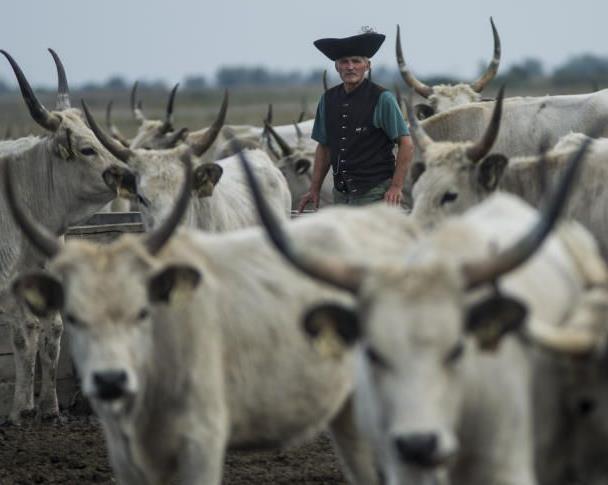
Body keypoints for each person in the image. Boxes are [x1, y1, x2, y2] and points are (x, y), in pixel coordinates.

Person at [298, 29, 414, 211]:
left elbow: (406, 143)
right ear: (337, 67)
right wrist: (314, 188)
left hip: (375, 194)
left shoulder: (382, 98)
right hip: (341, 194)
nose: (350, 66)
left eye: (356, 61)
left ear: (367, 65)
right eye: (344, 62)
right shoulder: (327, 99)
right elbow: (324, 147)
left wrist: (396, 187)